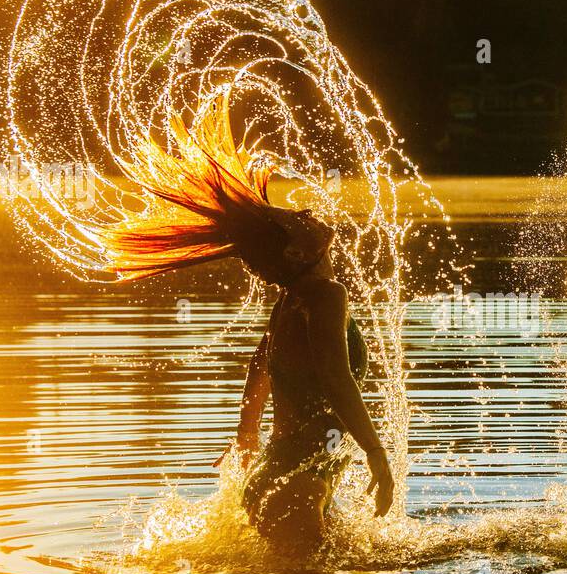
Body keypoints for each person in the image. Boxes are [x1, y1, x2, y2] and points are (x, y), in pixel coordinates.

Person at [98, 96, 394, 549]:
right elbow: (336, 378)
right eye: (296, 219)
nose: (306, 214)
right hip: (299, 481)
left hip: (281, 473)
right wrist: (376, 453)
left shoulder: (291, 300)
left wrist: (247, 437)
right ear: (295, 251)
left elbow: (260, 366)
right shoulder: (324, 295)